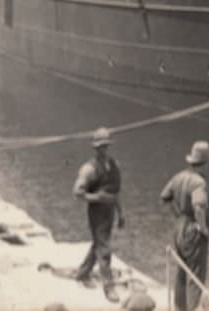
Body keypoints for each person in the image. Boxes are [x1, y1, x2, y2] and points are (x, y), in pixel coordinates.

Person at [160, 140, 209, 311]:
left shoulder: (179, 176)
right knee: (195, 275)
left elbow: (164, 197)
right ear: (205, 163)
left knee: (181, 271)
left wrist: (177, 214)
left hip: (179, 226)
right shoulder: (199, 183)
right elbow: (199, 206)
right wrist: (203, 228)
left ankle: (179, 308)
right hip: (193, 229)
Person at [73, 127, 124, 301]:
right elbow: (78, 192)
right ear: (95, 148)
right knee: (104, 248)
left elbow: (115, 192)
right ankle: (108, 288)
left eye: (106, 146)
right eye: (100, 147)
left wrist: (120, 213)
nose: (103, 150)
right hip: (97, 211)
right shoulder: (89, 169)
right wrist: (96, 197)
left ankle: (82, 272)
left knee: (99, 244)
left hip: (109, 211)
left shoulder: (114, 165)